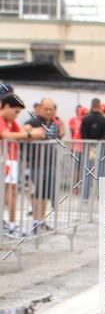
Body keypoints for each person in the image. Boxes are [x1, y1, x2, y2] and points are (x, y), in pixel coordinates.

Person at [0, 93, 42, 237]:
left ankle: (11, 223)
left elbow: (20, 131)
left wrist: (29, 131)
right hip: (4, 160)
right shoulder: (1, 119)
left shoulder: (10, 121)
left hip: (10, 160)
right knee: (7, 192)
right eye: (15, 112)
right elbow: (6, 135)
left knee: (10, 192)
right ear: (6, 106)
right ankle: (9, 224)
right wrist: (30, 134)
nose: (16, 116)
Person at [22, 97, 65, 232]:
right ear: (40, 109)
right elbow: (25, 130)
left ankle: (42, 221)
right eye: (45, 109)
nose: (48, 111)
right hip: (36, 163)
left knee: (45, 194)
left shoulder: (53, 122)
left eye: (51, 109)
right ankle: (36, 221)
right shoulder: (34, 121)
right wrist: (31, 133)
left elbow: (58, 135)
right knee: (38, 193)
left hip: (50, 163)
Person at [80, 98, 105, 197]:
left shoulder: (85, 119)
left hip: (90, 148)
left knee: (87, 171)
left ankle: (85, 195)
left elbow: (82, 134)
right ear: (99, 106)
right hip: (102, 149)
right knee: (101, 172)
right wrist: (100, 142)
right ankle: (99, 193)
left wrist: (91, 143)